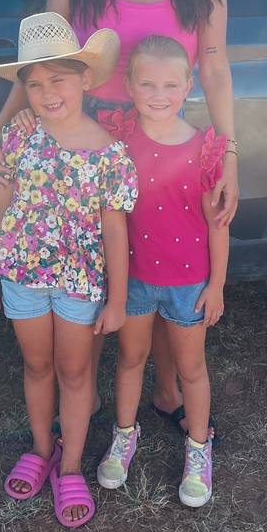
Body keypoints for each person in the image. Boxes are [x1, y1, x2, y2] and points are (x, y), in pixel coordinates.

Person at [0, 0, 239, 441]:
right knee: (100, 262)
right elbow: (44, 62)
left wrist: (228, 152)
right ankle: (87, 391)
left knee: (164, 259)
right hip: (92, 136)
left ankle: (168, 388)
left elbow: (216, 65)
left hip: (165, 138)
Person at [0, 12, 138, 528]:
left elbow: (115, 230)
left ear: (85, 79)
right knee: (37, 366)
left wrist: (117, 299)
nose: (47, 93)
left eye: (59, 80)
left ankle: (70, 466)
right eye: (35, 84)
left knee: (75, 371)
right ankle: (43, 449)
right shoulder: (19, 136)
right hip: (21, 276)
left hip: (79, 283)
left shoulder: (111, 153)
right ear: (24, 91)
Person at [96, 35, 229, 508]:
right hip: (133, 278)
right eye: (148, 84)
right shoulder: (120, 138)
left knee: (191, 369)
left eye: (171, 84)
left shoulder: (203, 149)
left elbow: (217, 224)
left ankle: (198, 448)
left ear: (188, 85)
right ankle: (124, 435)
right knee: (130, 358)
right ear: (130, 86)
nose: (159, 94)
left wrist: (217, 285)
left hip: (189, 283)